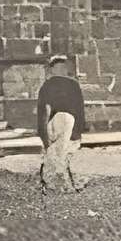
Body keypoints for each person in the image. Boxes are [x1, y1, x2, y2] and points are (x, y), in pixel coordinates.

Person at [36, 52, 87, 192]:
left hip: (56, 120)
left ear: (52, 69)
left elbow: (44, 110)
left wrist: (43, 135)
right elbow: (79, 108)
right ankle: (65, 184)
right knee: (64, 154)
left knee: (55, 153)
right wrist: (79, 130)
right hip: (69, 120)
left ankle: (57, 184)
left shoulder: (46, 86)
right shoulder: (73, 85)